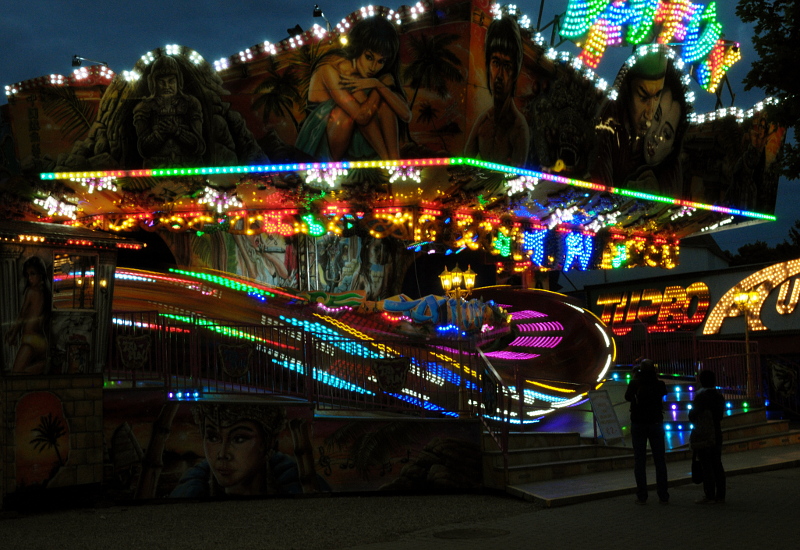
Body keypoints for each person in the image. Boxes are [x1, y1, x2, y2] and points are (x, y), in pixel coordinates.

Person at [295, 16, 411, 161]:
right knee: (344, 114)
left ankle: (393, 162)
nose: (374, 68)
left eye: (381, 61)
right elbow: (361, 117)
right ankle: (388, 161)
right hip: (318, 140)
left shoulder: (362, 77)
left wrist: (379, 86)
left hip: (352, 135)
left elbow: (406, 115)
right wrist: (377, 87)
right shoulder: (330, 68)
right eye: (369, 57)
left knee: (383, 104)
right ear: (358, 49)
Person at [171, 403, 303, 497]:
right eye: (213, 437)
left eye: (239, 439)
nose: (223, 454)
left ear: (267, 441)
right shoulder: (189, 492)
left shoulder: (298, 485)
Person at [592, 49, 668, 187]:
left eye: (657, 96)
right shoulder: (607, 125)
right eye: (643, 97)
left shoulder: (657, 133)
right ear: (626, 91)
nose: (649, 113)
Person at [464, 15, 530, 166]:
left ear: (515, 72)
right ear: (488, 66)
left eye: (507, 66)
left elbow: (514, 180)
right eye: (495, 63)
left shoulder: (519, 127)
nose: (499, 75)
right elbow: (464, 165)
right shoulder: (483, 121)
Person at [624, 65, 689, 197]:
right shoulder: (625, 151)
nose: (655, 135)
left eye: (666, 134)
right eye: (656, 117)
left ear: (672, 148)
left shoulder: (661, 186)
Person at [132, 55, 206, 168]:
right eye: (162, 82)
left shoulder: (191, 104)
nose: (167, 86)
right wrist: (160, 134)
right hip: (156, 169)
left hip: (189, 168)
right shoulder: (143, 107)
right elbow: (143, 149)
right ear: (153, 83)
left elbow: (199, 146)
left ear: (178, 81)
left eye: (171, 81)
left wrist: (177, 131)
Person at [624, 358, 669, 504]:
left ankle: (642, 494)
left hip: (638, 424)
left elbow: (627, 397)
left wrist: (636, 377)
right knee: (660, 460)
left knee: (640, 460)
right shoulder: (659, 384)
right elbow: (663, 393)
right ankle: (663, 494)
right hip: (656, 423)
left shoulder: (635, 383)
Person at [5, 256, 51, 374]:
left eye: (33, 274)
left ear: (41, 274)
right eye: (28, 275)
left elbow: (22, 314)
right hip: (42, 341)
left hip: (30, 339)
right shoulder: (46, 293)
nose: (30, 278)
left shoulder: (31, 291)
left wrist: (14, 334)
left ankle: (43, 365)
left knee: (16, 374)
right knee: (28, 376)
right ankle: (43, 365)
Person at [689, 369, 726, 504]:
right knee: (717, 463)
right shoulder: (718, 396)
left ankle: (709, 494)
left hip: (703, 434)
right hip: (716, 432)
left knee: (706, 465)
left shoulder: (700, 397)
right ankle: (721, 495)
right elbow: (720, 416)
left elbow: (692, 416)